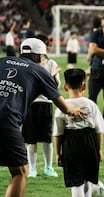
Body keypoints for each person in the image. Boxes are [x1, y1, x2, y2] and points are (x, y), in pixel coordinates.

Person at [0, 38, 84, 197]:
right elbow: (62, 105)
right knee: (20, 171)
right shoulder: (39, 71)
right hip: (6, 122)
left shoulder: (3, 61)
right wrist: (74, 110)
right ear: (40, 56)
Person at [53, 68, 104, 197]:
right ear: (84, 86)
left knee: (76, 183)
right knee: (87, 178)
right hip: (90, 141)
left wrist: (57, 153)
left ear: (65, 87)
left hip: (71, 142)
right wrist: (99, 149)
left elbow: (58, 133)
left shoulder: (62, 107)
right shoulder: (91, 105)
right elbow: (99, 129)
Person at [21, 34, 61, 178]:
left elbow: (55, 87)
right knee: (31, 141)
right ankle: (32, 168)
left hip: (46, 104)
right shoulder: (27, 65)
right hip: (31, 104)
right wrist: (49, 77)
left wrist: (54, 76)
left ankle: (48, 167)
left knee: (46, 139)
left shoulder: (51, 63)